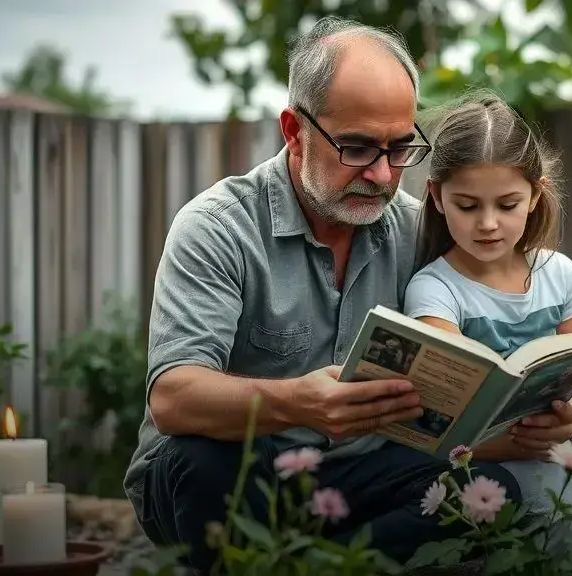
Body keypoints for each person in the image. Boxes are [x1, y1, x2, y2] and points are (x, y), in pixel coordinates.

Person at [122, 18, 526, 572]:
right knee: (199, 464)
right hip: (244, 468)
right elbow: (172, 398)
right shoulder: (218, 227)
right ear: (293, 129)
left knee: (490, 491)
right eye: (358, 148)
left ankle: (313, 565)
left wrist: (548, 404)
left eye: (401, 147)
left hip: (358, 472)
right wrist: (297, 402)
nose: (384, 175)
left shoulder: (415, 230)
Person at [402, 91, 572, 563]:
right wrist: (550, 437)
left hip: (564, 436)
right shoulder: (434, 289)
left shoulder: (557, 274)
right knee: (566, 513)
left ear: (535, 194)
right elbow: (448, 422)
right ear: (437, 197)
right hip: (486, 451)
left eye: (507, 204)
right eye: (467, 205)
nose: (487, 224)